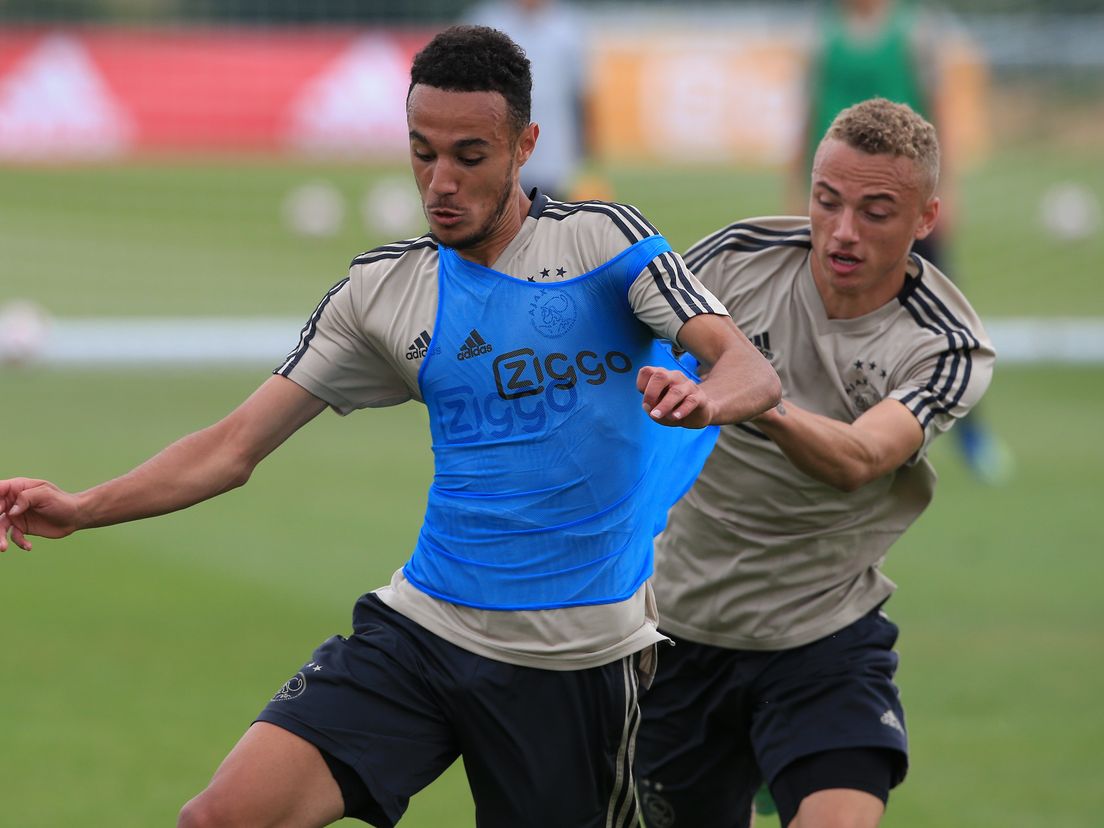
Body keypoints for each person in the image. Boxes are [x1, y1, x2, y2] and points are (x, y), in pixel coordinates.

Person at [0, 26, 781, 828]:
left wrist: (705, 397)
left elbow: (749, 369)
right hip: (424, 632)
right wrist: (84, 507)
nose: (439, 181)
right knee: (220, 819)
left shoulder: (601, 241)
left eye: (469, 157)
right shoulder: (380, 293)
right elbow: (232, 448)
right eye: (422, 152)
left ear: (526, 146)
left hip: (575, 661)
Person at [634, 98, 996, 828]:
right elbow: (606, 320)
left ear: (927, 219)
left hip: (822, 638)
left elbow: (860, 458)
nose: (842, 231)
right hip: (676, 634)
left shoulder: (946, 345)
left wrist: (750, 398)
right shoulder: (734, 260)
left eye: (876, 211)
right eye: (826, 201)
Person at [787, 0, 1012, 485]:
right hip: (840, 200)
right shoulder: (822, 34)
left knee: (947, 308)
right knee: (819, 312)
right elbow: (806, 115)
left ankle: (973, 434)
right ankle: (833, 427)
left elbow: (939, 110)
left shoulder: (915, 31)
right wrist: (797, 190)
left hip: (899, 199)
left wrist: (945, 187)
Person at [464, 0, 588, 200]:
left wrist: (586, 140)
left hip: (553, 145)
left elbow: (581, 90)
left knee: (548, 216)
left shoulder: (568, 27)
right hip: (499, 138)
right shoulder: (487, 21)